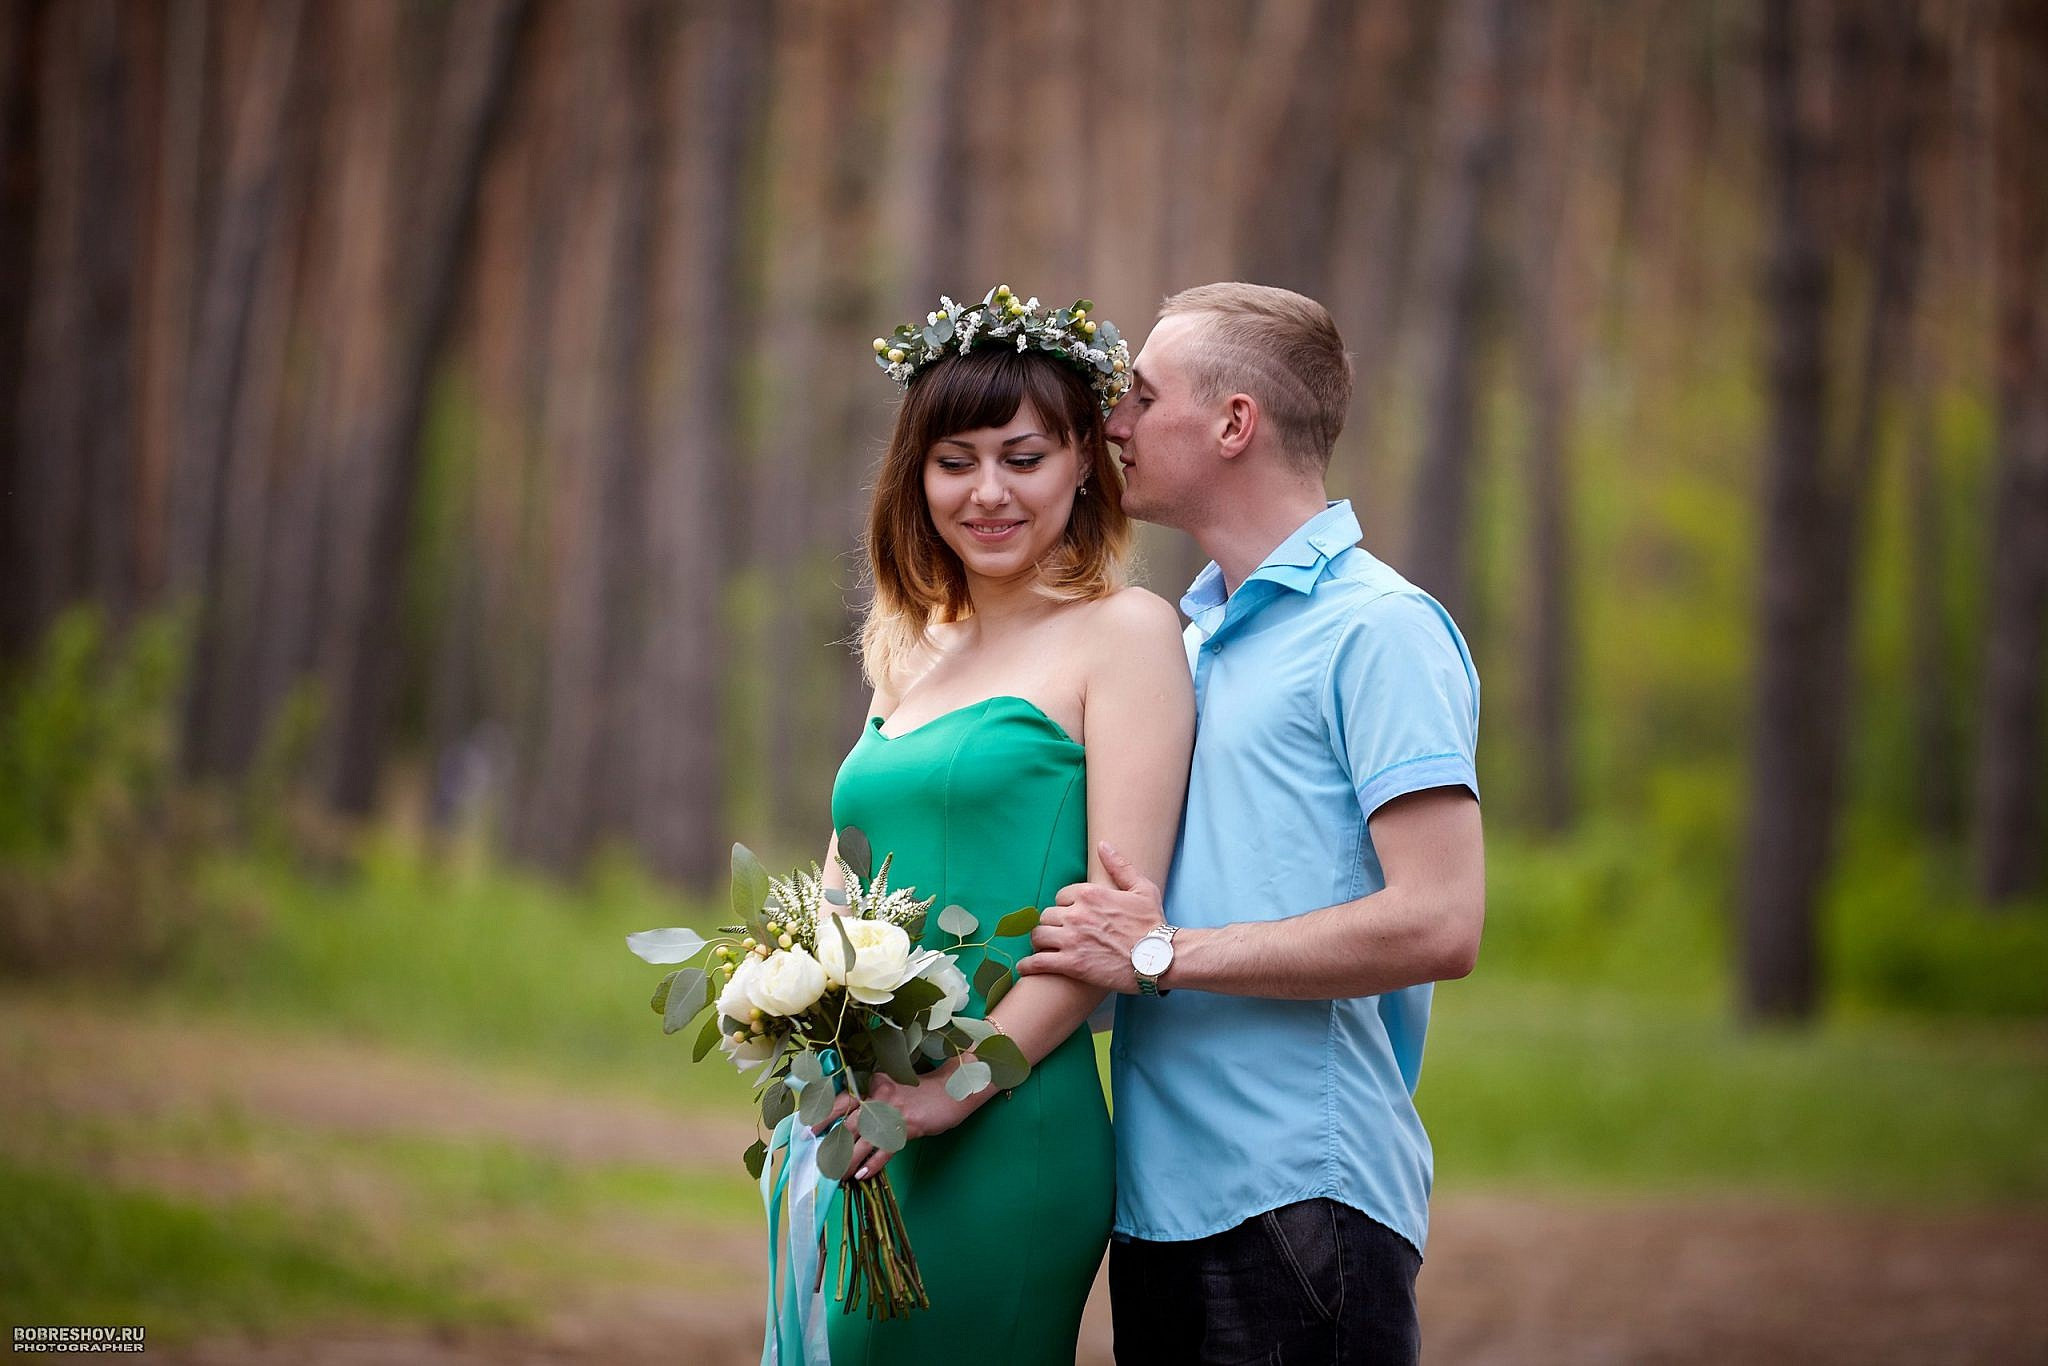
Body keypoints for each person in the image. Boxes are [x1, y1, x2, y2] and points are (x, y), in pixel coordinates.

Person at [1021, 282, 1486, 1365]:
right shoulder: (1181, 644)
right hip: (1152, 1205)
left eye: (1137, 396)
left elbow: (1439, 921)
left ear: (1234, 422)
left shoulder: (1379, 630)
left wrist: (1159, 951)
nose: (1110, 424)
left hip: (1297, 1201)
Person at [810, 287, 1195, 1364]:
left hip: (1008, 1119)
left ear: (1084, 463)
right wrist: (813, 1035)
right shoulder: (912, 644)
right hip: (874, 1122)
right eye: (954, 460)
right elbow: (845, 877)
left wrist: (954, 1087)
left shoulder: (1123, 634)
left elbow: (1106, 929)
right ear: (913, 475)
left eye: (1022, 457)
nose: (986, 492)